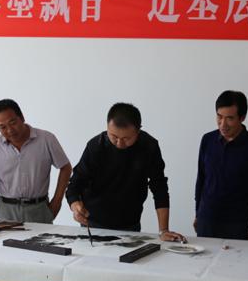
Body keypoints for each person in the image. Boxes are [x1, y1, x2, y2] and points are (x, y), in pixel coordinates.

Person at [66, 103, 185, 242]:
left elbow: (159, 187)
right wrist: (75, 206)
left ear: (138, 131)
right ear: (107, 127)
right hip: (93, 222)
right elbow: (75, 184)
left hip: (130, 223)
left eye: (126, 139)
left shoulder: (148, 146)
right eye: (114, 136)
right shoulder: (96, 146)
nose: (119, 143)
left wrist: (163, 230)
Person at [0, 99, 71, 223]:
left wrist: (57, 201)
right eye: (2, 127)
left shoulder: (46, 139)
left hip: (39, 209)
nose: (10, 130)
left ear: (22, 117)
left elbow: (65, 167)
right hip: (5, 211)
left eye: (13, 122)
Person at [194, 90, 248, 240]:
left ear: (242, 117)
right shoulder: (207, 140)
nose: (223, 124)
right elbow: (201, 179)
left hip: (237, 225)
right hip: (207, 220)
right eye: (219, 116)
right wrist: (198, 213)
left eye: (229, 118)